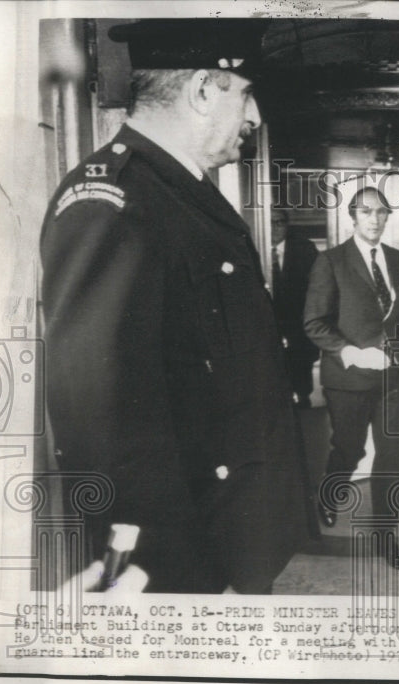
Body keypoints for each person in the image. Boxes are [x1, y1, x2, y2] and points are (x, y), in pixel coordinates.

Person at [41, 19, 308, 594]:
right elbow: (103, 417)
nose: (254, 117)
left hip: (230, 536)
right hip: (184, 562)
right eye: (245, 93)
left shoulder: (181, 191)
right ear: (203, 90)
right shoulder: (112, 200)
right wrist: (172, 575)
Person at [304, 187, 399, 568]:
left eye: (382, 212)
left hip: (390, 377)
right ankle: (328, 496)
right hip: (347, 378)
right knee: (350, 450)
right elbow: (314, 324)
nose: (375, 219)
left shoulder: (396, 259)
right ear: (353, 216)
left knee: (392, 455)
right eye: (366, 211)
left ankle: (387, 536)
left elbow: (395, 317)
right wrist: (353, 352)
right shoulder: (330, 261)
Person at [270, 208, 320, 408]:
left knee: (301, 387)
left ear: (287, 224)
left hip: (298, 328)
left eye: (279, 222)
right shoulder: (253, 248)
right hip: (268, 329)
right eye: (270, 223)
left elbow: (317, 289)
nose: (274, 228)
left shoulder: (304, 249)